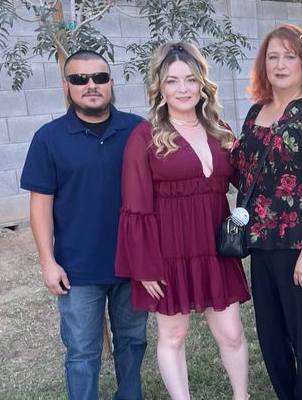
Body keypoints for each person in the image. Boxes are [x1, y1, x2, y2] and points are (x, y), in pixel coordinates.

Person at [114, 42, 251, 400]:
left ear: (202, 83)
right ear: (160, 87)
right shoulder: (144, 137)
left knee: (231, 333)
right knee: (173, 336)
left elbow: (248, 182)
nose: (183, 89)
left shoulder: (220, 129)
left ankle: (241, 396)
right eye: (172, 81)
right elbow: (135, 205)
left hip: (216, 250)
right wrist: (144, 265)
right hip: (169, 252)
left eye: (190, 79)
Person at [21, 50, 147, 400]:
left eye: (99, 78)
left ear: (111, 83)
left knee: (133, 342)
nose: (91, 85)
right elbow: (40, 206)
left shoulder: (138, 131)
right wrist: (48, 262)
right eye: (80, 79)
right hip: (77, 270)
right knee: (81, 352)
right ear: (67, 86)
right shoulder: (48, 138)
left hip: (133, 264)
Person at [230, 23, 302, 400]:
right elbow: (243, 171)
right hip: (260, 244)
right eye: (272, 57)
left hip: (298, 247)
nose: (279, 65)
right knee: (271, 336)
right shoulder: (255, 112)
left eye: (289, 57)